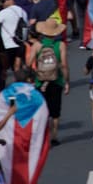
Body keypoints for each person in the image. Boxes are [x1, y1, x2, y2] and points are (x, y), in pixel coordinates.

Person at [25, 10, 70, 146]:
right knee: (55, 111)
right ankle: (54, 136)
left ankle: (41, 136)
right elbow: (63, 64)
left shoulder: (37, 45)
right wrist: (66, 81)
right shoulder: (60, 45)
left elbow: (28, 62)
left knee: (41, 109)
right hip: (56, 80)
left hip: (40, 80)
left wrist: (34, 73)